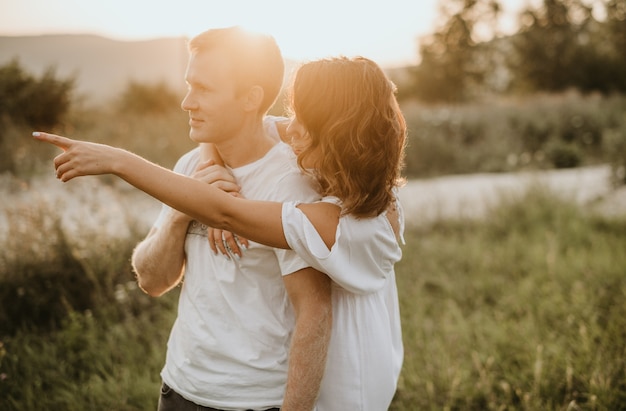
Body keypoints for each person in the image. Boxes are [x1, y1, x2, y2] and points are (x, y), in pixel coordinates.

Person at [34, 55, 406, 410]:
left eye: (303, 120)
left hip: (348, 393)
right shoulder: (373, 195)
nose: (289, 127)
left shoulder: (328, 221)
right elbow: (255, 125)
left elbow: (226, 212)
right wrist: (211, 150)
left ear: (335, 136)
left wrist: (119, 160)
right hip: (211, 385)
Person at [62, 26, 333, 411]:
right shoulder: (190, 165)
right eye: (189, 86)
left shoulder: (292, 184)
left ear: (250, 98)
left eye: (204, 89)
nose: (187, 102)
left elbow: (315, 312)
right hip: (178, 390)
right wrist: (180, 212)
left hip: (256, 401)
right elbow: (153, 280)